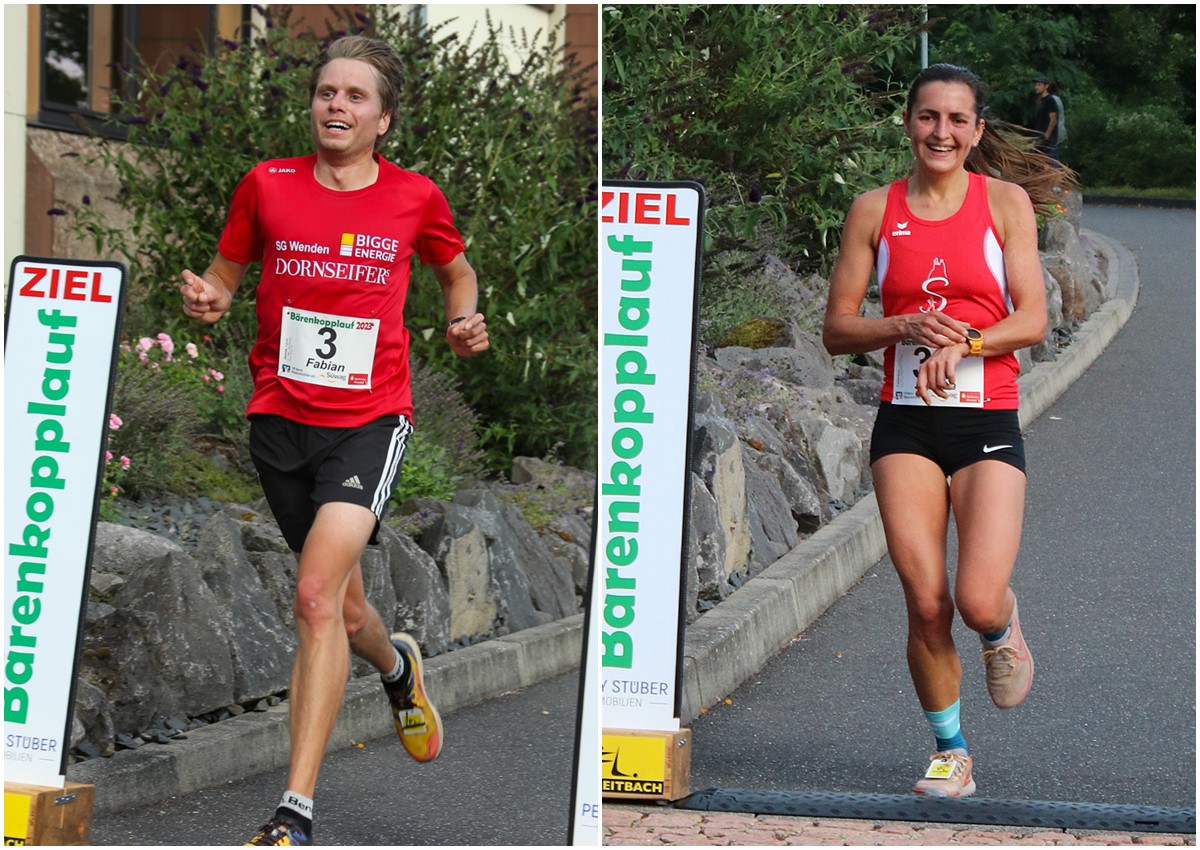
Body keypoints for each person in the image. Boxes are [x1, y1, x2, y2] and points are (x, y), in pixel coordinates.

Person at [179, 34, 489, 846]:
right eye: (326, 92)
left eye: (355, 96)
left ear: (383, 118)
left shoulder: (414, 197)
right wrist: (206, 298)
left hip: (369, 422)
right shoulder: (267, 185)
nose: (336, 106)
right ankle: (398, 669)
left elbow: (456, 271)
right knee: (346, 611)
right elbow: (224, 274)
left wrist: (461, 319)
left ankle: (294, 814)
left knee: (314, 598)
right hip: (279, 420)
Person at [822, 63, 1068, 798]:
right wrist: (902, 325)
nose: (942, 132)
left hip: (987, 418)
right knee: (925, 599)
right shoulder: (873, 210)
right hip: (906, 424)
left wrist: (965, 344)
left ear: (977, 131)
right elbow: (837, 329)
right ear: (908, 123)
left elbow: (1032, 317)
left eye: (958, 120)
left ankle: (1001, 628)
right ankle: (951, 751)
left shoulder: (1006, 203)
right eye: (929, 117)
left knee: (976, 598)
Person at [1032, 74, 1060, 161]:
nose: (1036, 87)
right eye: (1036, 85)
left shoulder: (1050, 100)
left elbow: (1053, 119)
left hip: (1048, 141)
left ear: (1046, 86)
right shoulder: (1041, 101)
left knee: (1051, 166)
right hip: (1040, 139)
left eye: (1039, 85)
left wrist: (1047, 134)